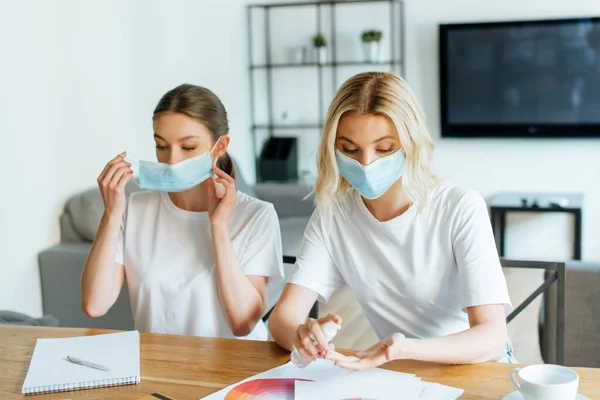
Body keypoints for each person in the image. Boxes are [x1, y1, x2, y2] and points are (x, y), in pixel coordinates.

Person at [268, 72, 515, 369]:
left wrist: (405, 349)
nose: (367, 163)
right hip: (402, 373)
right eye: (349, 149)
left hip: (478, 369)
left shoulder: (460, 207)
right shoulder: (334, 216)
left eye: (384, 148)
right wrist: (302, 335)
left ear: (411, 143)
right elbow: (282, 318)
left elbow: (492, 337)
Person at [81, 84, 283, 340]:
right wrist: (111, 214)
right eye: (161, 146)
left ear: (220, 146)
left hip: (235, 369)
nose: (172, 160)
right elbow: (94, 305)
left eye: (188, 147)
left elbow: (243, 324)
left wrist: (219, 228)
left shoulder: (256, 216)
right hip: (160, 367)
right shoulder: (135, 209)